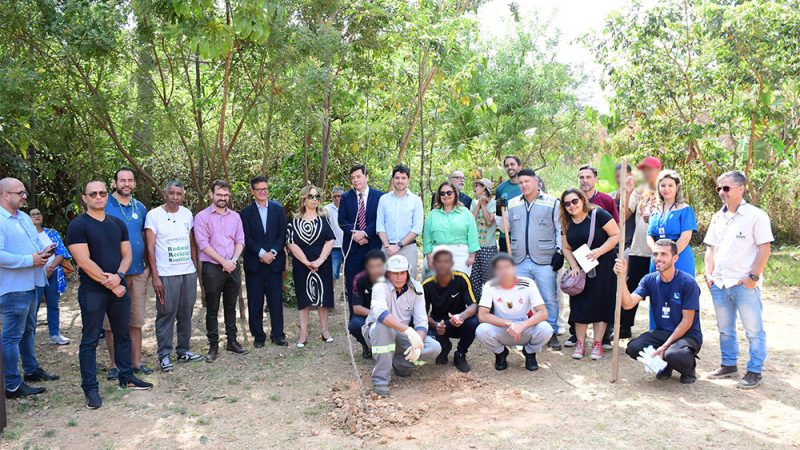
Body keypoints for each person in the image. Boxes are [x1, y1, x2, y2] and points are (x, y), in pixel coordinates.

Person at [67, 180, 152, 409]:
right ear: (84, 198)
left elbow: (127, 254)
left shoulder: (117, 223)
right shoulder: (78, 226)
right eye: (93, 194)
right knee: (90, 339)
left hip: (118, 286)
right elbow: (83, 261)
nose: (98, 197)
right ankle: (91, 389)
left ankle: (127, 377)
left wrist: (119, 276)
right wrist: (111, 283)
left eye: (102, 193)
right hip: (93, 291)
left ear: (107, 196)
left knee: (123, 333)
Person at [704, 171, 773, 389]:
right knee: (725, 328)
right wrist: (708, 274)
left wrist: (753, 276)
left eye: (726, 188)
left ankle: (754, 371)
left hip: (744, 284)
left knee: (753, 330)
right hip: (720, 283)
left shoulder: (756, 216)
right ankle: (728, 364)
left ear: (740, 188)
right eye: (719, 188)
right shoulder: (718, 217)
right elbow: (710, 248)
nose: (722, 193)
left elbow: (764, 248)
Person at [0, 178, 59, 398]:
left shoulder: (24, 217)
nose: (25, 196)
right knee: (11, 336)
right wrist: (29, 260)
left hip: (33, 282)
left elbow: (33, 246)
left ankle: (31, 370)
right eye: (20, 193)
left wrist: (44, 251)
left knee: (28, 331)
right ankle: (12, 385)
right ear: (5, 195)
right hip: (13, 287)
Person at [615, 239, 703, 384]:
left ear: (675, 258)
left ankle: (689, 368)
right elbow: (628, 304)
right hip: (662, 331)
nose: (658, 258)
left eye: (664, 254)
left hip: (687, 334)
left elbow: (687, 321)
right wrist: (622, 277)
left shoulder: (688, 282)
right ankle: (665, 365)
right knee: (633, 347)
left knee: (674, 354)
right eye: (655, 254)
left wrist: (664, 347)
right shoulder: (649, 280)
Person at [496, 169, 562, 350]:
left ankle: (552, 331)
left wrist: (560, 251)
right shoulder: (512, 203)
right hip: (519, 258)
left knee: (548, 296)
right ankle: (521, 330)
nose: (524, 185)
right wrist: (498, 211)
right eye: (521, 182)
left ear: (536, 182)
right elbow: (504, 228)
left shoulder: (552, 202)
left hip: (544, 258)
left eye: (527, 181)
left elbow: (559, 228)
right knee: (521, 297)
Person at [145, 181, 203, 372]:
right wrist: (155, 276)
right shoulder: (154, 216)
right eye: (172, 193)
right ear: (165, 194)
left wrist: (194, 267)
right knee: (166, 313)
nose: (175, 197)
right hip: (166, 274)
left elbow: (191, 242)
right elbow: (150, 248)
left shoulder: (187, 214)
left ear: (183, 196)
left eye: (179, 194)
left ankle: (184, 350)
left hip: (187, 272)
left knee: (186, 312)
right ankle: (164, 355)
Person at [362, 254, 441, 397]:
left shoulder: (417, 288)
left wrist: (419, 341)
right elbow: (380, 313)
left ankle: (400, 364)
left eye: (402, 273)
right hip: (377, 331)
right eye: (395, 273)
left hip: (402, 333)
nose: (399, 277)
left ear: (408, 272)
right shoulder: (380, 286)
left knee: (434, 348)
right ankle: (380, 380)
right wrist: (408, 331)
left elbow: (421, 320)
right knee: (383, 327)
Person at [103, 168, 153, 378]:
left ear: (134, 184)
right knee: (112, 322)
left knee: (136, 319)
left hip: (138, 271)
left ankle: (135, 362)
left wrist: (149, 267)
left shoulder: (140, 207)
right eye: (122, 180)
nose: (126, 183)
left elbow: (146, 237)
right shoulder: (104, 205)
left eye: (130, 180)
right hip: (113, 274)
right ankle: (115, 365)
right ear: (114, 183)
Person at [560, 188, 620, 360]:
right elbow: (566, 247)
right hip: (581, 270)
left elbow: (616, 235)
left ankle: (597, 343)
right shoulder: (566, 221)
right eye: (567, 203)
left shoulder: (598, 214)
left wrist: (599, 251)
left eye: (574, 201)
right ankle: (580, 343)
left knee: (601, 305)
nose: (571, 206)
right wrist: (573, 266)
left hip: (603, 266)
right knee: (579, 306)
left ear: (582, 200)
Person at [194, 180, 247, 361]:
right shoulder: (202, 217)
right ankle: (213, 346)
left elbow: (240, 240)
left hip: (232, 266)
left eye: (225, 195)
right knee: (213, 308)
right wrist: (222, 261)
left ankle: (232, 342)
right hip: (212, 268)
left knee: (231, 306)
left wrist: (232, 260)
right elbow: (203, 244)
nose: (222, 198)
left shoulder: (235, 217)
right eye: (219, 195)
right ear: (212, 195)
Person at [475, 253, 553, 372]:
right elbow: (482, 315)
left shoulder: (528, 283)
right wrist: (510, 324)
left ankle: (530, 353)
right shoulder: (490, 286)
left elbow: (543, 313)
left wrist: (521, 326)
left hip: (524, 328)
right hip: (503, 328)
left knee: (546, 329)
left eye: (507, 267)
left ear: (514, 268)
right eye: (499, 268)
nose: (504, 271)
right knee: (481, 330)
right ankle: (501, 353)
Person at [615, 156, 662, 340]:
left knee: (660, 291)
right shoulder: (639, 190)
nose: (646, 172)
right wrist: (626, 192)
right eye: (643, 169)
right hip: (638, 249)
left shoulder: (666, 189)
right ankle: (624, 327)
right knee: (632, 288)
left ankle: (660, 329)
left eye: (650, 169)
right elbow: (624, 215)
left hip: (661, 251)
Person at [240, 176, 288, 347]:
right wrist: (261, 253)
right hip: (255, 263)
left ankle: (278, 334)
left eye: (265, 189)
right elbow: (245, 237)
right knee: (255, 301)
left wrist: (273, 252)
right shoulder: (245, 213)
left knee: (275, 300)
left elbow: (283, 234)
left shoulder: (278, 209)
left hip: (274, 262)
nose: (263, 192)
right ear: (253, 191)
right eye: (259, 189)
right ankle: (258, 336)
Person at [287, 185, 336, 348]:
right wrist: (306, 262)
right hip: (302, 265)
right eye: (311, 196)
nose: (315, 199)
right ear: (303, 199)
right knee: (304, 298)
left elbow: (330, 239)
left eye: (317, 196)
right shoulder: (294, 220)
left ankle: (325, 330)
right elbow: (291, 243)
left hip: (322, 263)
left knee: (323, 297)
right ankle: (303, 333)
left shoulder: (324, 217)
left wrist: (320, 260)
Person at [422, 246, 478, 373]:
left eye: (446, 262)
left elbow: (474, 305)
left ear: (452, 264)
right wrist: (435, 325)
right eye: (439, 262)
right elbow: (422, 314)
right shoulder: (426, 285)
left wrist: (461, 316)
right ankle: (444, 346)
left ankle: (460, 354)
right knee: (426, 326)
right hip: (438, 324)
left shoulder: (462, 278)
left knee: (474, 322)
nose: (442, 265)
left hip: (458, 322)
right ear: (433, 264)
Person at [338, 165, 384, 306]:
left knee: (374, 285)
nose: (355, 180)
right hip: (353, 249)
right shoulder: (346, 197)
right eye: (353, 178)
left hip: (373, 247)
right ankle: (355, 322)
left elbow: (379, 219)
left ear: (366, 177)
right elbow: (342, 220)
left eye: (358, 176)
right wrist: (355, 235)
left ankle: (373, 320)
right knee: (353, 285)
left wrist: (365, 233)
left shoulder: (380, 196)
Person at [30, 208, 72, 345]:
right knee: (33, 306)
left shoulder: (52, 233)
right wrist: (43, 269)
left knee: (53, 304)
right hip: (35, 274)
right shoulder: (27, 235)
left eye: (38, 213)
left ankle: (55, 334)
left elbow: (61, 252)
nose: (36, 216)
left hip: (53, 272)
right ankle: (29, 337)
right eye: (33, 214)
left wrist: (51, 267)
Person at [377, 165, 423, 280]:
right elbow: (380, 226)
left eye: (403, 178)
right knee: (386, 283)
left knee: (408, 282)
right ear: (393, 179)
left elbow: (417, 228)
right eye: (397, 178)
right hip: (386, 247)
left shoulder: (416, 200)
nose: (400, 181)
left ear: (408, 179)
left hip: (408, 248)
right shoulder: (384, 199)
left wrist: (398, 245)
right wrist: (388, 246)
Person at [423, 181, 479, 275]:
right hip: (437, 254)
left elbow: (472, 235)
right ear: (439, 196)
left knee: (458, 287)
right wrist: (428, 256)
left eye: (449, 192)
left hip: (460, 256)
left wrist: (472, 256)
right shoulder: (433, 214)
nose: (446, 195)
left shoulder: (465, 213)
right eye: (442, 193)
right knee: (436, 287)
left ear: (455, 194)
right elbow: (427, 237)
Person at [646, 170, 697, 276]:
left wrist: (670, 256)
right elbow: (649, 235)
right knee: (657, 289)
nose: (666, 189)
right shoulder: (655, 211)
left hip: (678, 256)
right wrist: (657, 253)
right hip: (658, 257)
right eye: (663, 185)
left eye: (670, 185)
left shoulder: (685, 209)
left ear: (677, 187)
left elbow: (686, 237)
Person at [349, 250, 387, 359]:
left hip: (389, 314)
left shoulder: (391, 278)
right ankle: (366, 345)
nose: (375, 270)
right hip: (368, 315)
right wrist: (377, 314)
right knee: (355, 324)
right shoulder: (359, 279)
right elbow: (356, 308)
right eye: (371, 266)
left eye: (379, 266)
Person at [468, 178, 497, 300]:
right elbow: (470, 221)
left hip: (488, 247)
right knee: (474, 280)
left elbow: (490, 222)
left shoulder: (493, 203)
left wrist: (484, 206)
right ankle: (476, 307)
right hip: (474, 247)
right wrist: (479, 204)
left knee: (489, 279)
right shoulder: (474, 203)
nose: (474, 188)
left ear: (484, 188)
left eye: (477, 186)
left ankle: (490, 307)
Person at [495, 156, 522, 254]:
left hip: (523, 237)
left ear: (519, 166)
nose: (509, 167)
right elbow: (498, 215)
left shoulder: (527, 186)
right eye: (506, 165)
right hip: (505, 237)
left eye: (512, 164)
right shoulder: (501, 189)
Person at [325, 186, 345, 280]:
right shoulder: (327, 209)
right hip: (334, 247)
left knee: (350, 272)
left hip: (348, 245)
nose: (337, 198)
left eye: (339, 196)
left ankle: (346, 293)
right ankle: (331, 293)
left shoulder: (348, 207)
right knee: (332, 273)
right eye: (335, 196)